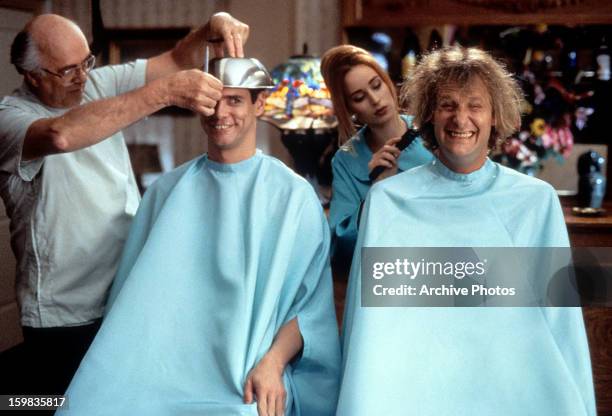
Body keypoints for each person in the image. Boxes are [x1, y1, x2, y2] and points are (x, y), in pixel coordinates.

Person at [57, 58, 340, 416]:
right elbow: (133, 306)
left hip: (247, 376)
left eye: (235, 100)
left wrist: (273, 364)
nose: (220, 112)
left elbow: (310, 307)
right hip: (163, 372)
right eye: (211, 101)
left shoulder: (293, 197)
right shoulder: (165, 192)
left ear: (260, 103)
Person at [337, 46, 596, 415]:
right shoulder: (386, 202)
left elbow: (562, 323)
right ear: (428, 115)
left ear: (495, 116)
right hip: (413, 395)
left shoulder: (536, 202)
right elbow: (367, 332)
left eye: (475, 105)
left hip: (514, 394)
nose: (461, 119)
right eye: (447, 105)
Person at [0, 12, 248, 396]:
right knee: (51, 404)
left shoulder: (97, 83)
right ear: (32, 75)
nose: (83, 76)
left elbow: (178, 59)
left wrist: (210, 27)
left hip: (126, 294)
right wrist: (164, 93)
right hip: (63, 314)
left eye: (87, 61)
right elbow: (61, 135)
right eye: (68, 70)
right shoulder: (11, 119)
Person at [320, 45, 432, 273]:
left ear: (387, 81)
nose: (375, 99)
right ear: (349, 108)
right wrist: (377, 190)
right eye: (359, 97)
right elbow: (342, 248)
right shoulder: (346, 160)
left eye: (376, 85)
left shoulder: (432, 133)